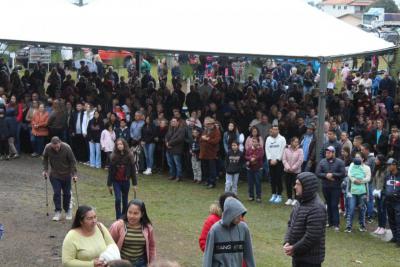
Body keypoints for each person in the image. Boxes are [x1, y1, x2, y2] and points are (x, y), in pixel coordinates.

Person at [283, 172, 326, 267]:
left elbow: (311, 236)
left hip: (310, 260)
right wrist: (287, 241)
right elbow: (291, 224)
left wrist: (294, 248)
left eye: (298, 184)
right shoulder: (300, 202)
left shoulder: (317, 208)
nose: (294, 187)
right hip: (298, 256)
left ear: (307, 187)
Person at [203, 197, 255, 267]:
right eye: (237, 215)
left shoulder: (244, 228)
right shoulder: (215, 230)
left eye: (241, 214)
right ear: (230, 214)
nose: (240, 218)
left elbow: (249, 254)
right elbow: (208, 257)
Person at [109, 199, 156, 266]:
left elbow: (152, 246)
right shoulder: (118, 225)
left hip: (140, 263)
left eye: (135, 213)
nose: (132, 216)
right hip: (121, 263)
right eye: (129, 212)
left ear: (142, 214)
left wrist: (152, 263)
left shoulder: (148, 228)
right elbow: (109, 244)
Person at [42, 136, 77, 221]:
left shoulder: (67, 148)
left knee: (67, 194)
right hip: (55, 175)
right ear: (51, 145)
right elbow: (44, 158)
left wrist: (74, 174)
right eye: (54, 147)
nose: (56, 149)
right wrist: (45, 170)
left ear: (60, 143)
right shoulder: (48, 147)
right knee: (57, 193)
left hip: (66, 174)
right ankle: (57, 211)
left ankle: (67, 209)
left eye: (57, 146)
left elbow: (73, 161)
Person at [315, 146, 346, 231]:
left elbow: (343, 173)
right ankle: (330, 222)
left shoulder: (340, 162)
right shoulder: (322, 162)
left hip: (336, 187)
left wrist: (333, 175)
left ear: (333, 153)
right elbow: (318, 173)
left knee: (334, 205)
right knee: (328, 204)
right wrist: (326, 175)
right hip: (326, 186)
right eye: (326, 152)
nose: (327, 154)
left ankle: (336, 224)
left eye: (329, 153)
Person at [108, 138, 138, 220]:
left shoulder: (129, 156)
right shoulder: (113, 156)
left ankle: (124, 216)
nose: (119, 146)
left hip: (125, 181)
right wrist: (109, 184)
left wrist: (135, 184)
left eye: (121, 144)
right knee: (118, 199)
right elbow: (110, 172)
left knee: (125, 200)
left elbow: (133, 171)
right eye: (118, 144)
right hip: (116, 181)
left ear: (124, 145)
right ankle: (118, 218)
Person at [344, 153, 371, 233]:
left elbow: (368, 178)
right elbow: (349, 174)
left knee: (362, 208)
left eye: (358, 157)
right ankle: (348, 226)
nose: (356, 158)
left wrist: (360, 181)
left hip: (363, 192)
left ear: (363, 159)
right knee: (351, 208)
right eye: (356, 157)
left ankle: (362, 226)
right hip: (352, 191)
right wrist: (354, 180)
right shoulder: (352, 164)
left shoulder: (366, 168)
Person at [265, 125, 286, 203]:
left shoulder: (282, 139)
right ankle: (273, 194)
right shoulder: (268, 139)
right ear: (271, 130)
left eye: (276, 129)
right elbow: (267, 149)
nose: (275, 131)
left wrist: (277, 160)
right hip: (270, 161)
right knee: (272, 178)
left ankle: (279, 195)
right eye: (273, 130)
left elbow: (282, 150)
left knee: (278, 178)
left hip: (279, 162)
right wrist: (270, 159)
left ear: (278, 130)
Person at [200, 117, 221, 188]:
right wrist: (204, 139)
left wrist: (207, 139)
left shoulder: (216, 131)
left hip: (211, 153)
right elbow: (201, 138)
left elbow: (216, 141)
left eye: (209, 124)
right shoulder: (206, 130)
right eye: (207, 124)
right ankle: (207, 181)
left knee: (212, 169)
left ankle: (212, 182)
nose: (208, 125)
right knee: (206, 168)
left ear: (212, 124)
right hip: (204, 153)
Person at [383, 158, 400, 247]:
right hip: (389, 201)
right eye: (388, 165)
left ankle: (399, 240)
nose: (388, 167)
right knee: (391, 220)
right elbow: (385, 187)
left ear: (395, 165)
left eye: (390, 165)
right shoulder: (387, 176)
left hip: (398, 202)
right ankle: (395, 237)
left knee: (398, 221)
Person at [282, 137, 304, 206]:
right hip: (287, 171)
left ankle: (296, 199)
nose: (296, 143)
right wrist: (288, 167)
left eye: (297, 142)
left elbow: (300, 160)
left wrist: (293, 168)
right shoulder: (286, 150)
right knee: (288, 184)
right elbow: (284, 159)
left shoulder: (300, 150)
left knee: (296, 185)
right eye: (295, 142)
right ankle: (289, 198)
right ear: (291, 142)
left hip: (296, 172)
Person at [372, 154, 388, 235]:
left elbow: (386, 182)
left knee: (383, 210)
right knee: (379, 210)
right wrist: (374, 189)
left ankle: (383, 227)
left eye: (377, 159)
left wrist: (381, 191)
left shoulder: (386, 170)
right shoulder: (376, 169)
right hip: (377, 193)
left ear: (381, 160)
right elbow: (374, 180)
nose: (375, 161)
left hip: (383, 193)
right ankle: (379, 226)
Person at [245, 137, 264, 202]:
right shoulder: (249, 149)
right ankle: (251, 196)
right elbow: (246, 156)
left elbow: (260, 156)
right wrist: (250, 158)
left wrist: (254, 158)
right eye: (253, 141)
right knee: (250, 183)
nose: (254, 143)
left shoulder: (260, 149)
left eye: (255, 141)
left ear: (258, 142)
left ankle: (258, 197)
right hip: (250, 168)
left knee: (258, 183)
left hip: (258, 168)